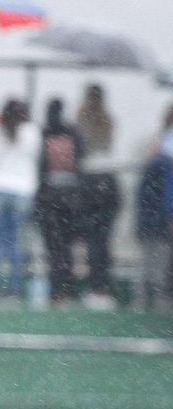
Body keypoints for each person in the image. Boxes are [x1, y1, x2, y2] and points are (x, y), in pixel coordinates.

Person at [0, 99, 41, 298]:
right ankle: (14, 288)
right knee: (15, 241)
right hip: (21, 189)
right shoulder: (31, 132)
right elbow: (36, 157)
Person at [35, 97, 87, 306]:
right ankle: (66, 290)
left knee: (54, 247)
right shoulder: (73, 133)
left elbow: (39, 164)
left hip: (49, 197)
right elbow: (80, 162)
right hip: (70, 196)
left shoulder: (43, 132)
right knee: (66, 247)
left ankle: (57, 290)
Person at [76, 83, 121, 310]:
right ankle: (104, 288)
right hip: (109, 180)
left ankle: (95, 286)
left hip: (90, 180)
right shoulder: (109, 120)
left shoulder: (83, 119)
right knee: (104, 240)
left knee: (93, 240)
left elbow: (83, 148)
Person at [132, 104, 173, 313]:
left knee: (152, 258)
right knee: (157, 258)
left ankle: (148, 297)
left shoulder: (158, 151)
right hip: (156, 213)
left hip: (152, 212)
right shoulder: (161, 155)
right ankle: (153, 297)